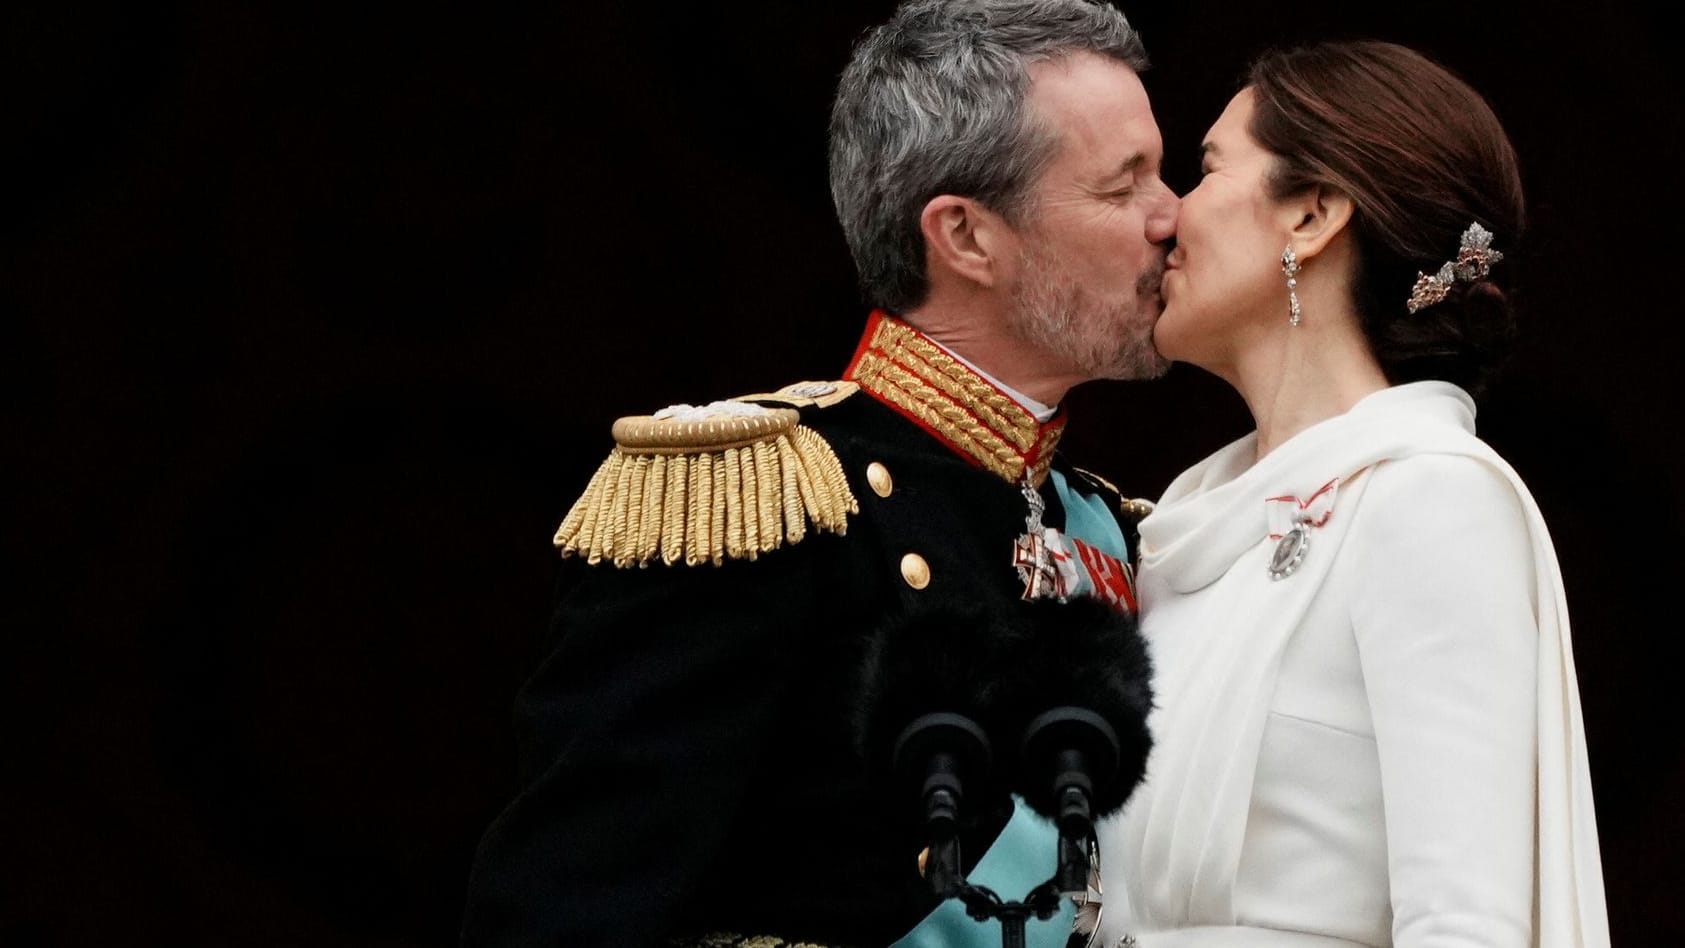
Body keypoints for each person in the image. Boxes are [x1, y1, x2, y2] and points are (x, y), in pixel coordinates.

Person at [458, 2, 1176, 947]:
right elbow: (569, 911)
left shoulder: (1109, 525)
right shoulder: (764, 497)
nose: (1172, 216)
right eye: (1122, 187)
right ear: (965, 236)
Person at [1089, 40, 1609, 948]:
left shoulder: (1428, 502)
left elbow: (1467, 926)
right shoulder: (1178, 529)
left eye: (1206, 170)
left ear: (1312, 215)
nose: (1167, 214)